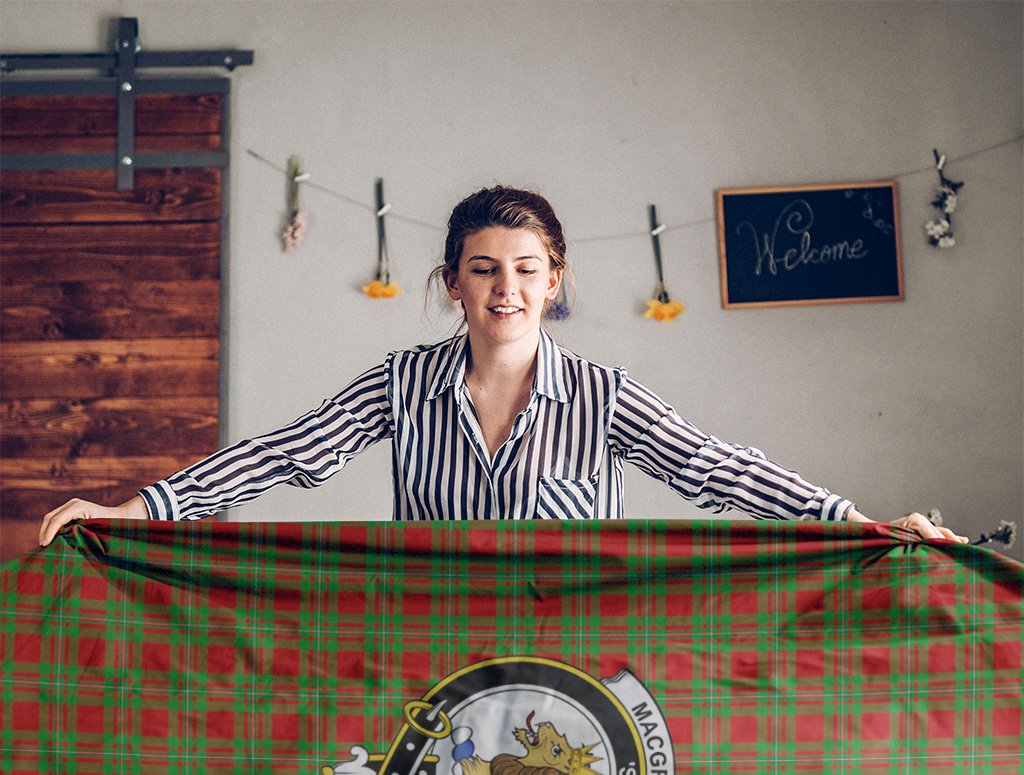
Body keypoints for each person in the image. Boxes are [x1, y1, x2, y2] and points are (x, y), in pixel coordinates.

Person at [38, 186, 968, 546]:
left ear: (555, 281)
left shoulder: (604, 397)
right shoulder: (401, 382)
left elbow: (717, 467)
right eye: (484, 270)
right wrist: (137, 510)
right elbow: (284, 455)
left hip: (577, 665)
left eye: (527, 271)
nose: (506, 289)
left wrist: (856, 522)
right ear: (453, 283)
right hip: (432, 653)